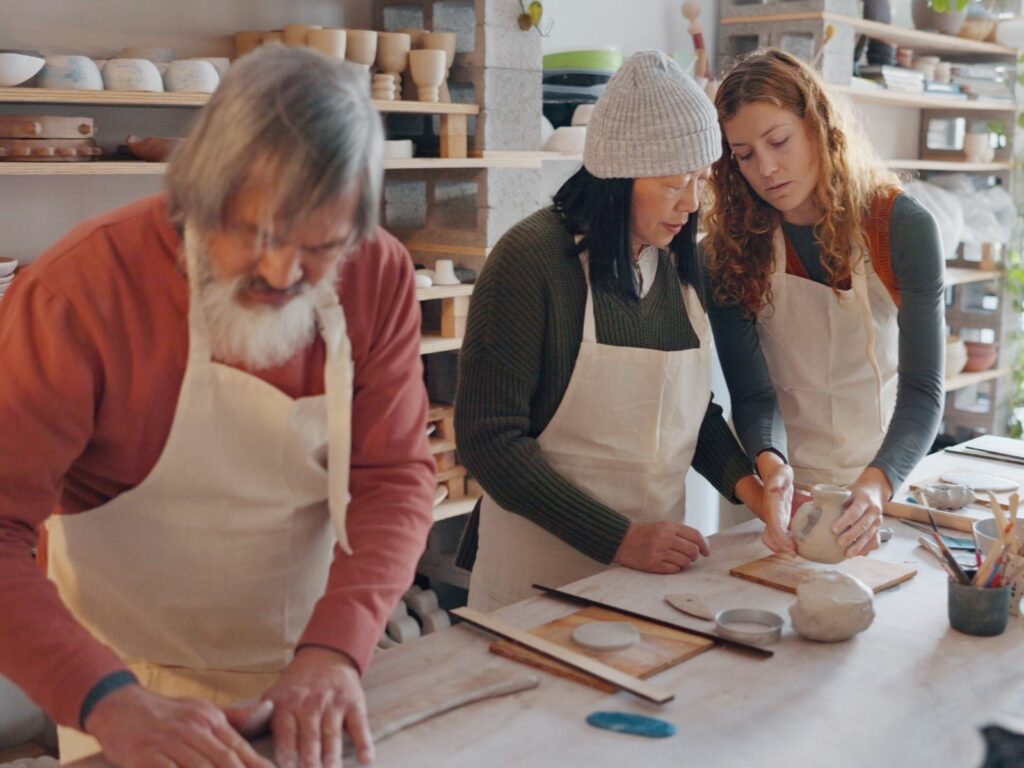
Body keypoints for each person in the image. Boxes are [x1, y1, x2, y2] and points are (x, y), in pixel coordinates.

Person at [0, 46, 435, 768]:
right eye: (254, 236)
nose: (281, 273)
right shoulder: (77, 294)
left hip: (314, 663)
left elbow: (394, 477)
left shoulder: (377, 272)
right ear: (194, 197)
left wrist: (337, 648)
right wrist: (106, 699)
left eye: (319, 247)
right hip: (129, 688)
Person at [454, 51, 793, 612]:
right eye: (671, 184)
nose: (691, 204)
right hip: (538, 582)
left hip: (647, 577)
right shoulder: (532, 259)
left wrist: (753, 490)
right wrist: (621, 538)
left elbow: (689, 416)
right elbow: (489, 442)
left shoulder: (672, 262)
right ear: (616, 178)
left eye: (700, 180)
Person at [703, 49, 944, 558]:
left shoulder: (897, 226)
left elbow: (923, 391)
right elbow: (752, 395)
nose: (766, 169)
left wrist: (877, 485)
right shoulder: (729, 247)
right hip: (777, 488)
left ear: (816, 125)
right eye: (744, 155)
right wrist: (771, 470)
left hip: (880, 473)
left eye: (779, 141)